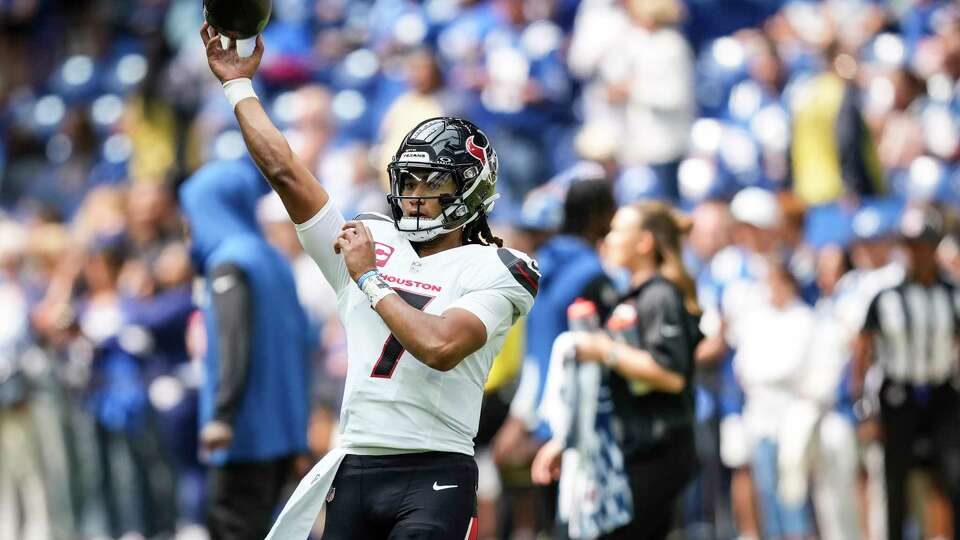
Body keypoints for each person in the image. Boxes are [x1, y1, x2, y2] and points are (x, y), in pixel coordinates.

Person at [199, 26, 539, 540]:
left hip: (435, 470)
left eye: (434, 183)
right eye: (409, 181)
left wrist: (371, 281)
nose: (415, 196)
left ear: (470, 193)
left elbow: (441, 345)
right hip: (354, 466)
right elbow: (285, 171)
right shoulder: (370, 237)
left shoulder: (496, 267)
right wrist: (239, 86)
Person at [533, 202, 701, 540]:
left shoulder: (660, 296)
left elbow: (670, 373)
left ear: (644, 243)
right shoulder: (631, 297)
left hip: (658, 452)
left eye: (617, 231)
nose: (607, 239)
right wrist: (567, 442)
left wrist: (602, 349)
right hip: (635, 451)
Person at [179, 158, 313, 540]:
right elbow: (304, 340)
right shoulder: (274, 258)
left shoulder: (229, 264)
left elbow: (232, 341)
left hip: (243, 435)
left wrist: (221, 414)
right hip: (283, 435)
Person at [853, 205, 960, 540]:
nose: (919, 253)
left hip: (942, 393)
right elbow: (863, 351)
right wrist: (864, 407)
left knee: (953, 476)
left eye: (925, 245)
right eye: (912, 245)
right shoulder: (885, 296)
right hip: (898, 396)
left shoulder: (952, 294)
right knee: (895, 483)